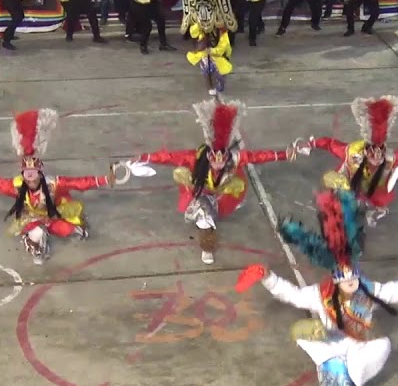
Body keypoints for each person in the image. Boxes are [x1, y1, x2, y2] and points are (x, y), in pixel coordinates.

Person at [234, 189, 398, 386]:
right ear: (335, 279)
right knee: (338, 385)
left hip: (360, 344)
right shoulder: (319, 295)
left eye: (354, 278)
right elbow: (292, 295)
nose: (352, 283)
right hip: (330, 345)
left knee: (382, 346)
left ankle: (353, 377)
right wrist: (268, 277)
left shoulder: (369, 291)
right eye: (346, 280)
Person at [129, 99, 302, 264]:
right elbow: (169, 157)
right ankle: (207, 245)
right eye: (214, 157)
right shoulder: (195, 158)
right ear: (209, 155)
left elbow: (258, 156)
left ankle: (215, 210)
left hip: (223, 191)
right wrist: (146, 157)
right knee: (204, 218)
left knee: (221, 205)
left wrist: (283, 154)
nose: (218, 161)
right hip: (200, 191)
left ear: (227, 155)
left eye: (222, 157)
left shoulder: (235, 159)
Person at [0, 108, 141, 263]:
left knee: (76, 230)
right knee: (35, 231)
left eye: (34, 175)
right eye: (27, 176)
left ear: (40, 173)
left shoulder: (53, 184)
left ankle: (58, 229)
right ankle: (35, 241)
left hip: (54, 212)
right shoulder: (17, 185)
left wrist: (104, 180)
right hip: (33, 216)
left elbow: (79, 183)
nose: (31, 180)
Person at [308, 96, 398, 227]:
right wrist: (311, 143)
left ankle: (368, 209)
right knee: (339, 192)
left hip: (372, 188)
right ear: (366, 151)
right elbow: (330, 144)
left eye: (381, 150)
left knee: (378, 203)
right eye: (373, 150)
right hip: (349, 183)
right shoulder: (352, 153)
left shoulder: (390, 158)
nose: (378, 155)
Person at [187, 21, 233, 95]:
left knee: (220, 75)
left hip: (219, 56)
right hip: (205, 54)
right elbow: (193, 33)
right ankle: (210, 86)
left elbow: (222, 48)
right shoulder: (203, 28)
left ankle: (219, 83)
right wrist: (199, 23)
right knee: (207, 68)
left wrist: (211, 51)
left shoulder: (222, 32)